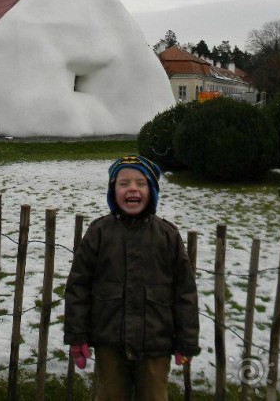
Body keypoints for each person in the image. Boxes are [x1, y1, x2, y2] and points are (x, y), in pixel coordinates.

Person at [64, 155, 200, 401]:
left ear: (153, 191)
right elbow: (78, 287)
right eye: (123, 183)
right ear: (113, 191)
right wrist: (77, 336)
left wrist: (187, 340)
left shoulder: (167, 236)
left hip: (156, 345)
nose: (132, 189)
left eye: (141, 183)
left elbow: (185, 292)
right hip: (110, 343)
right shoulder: (99, 233)